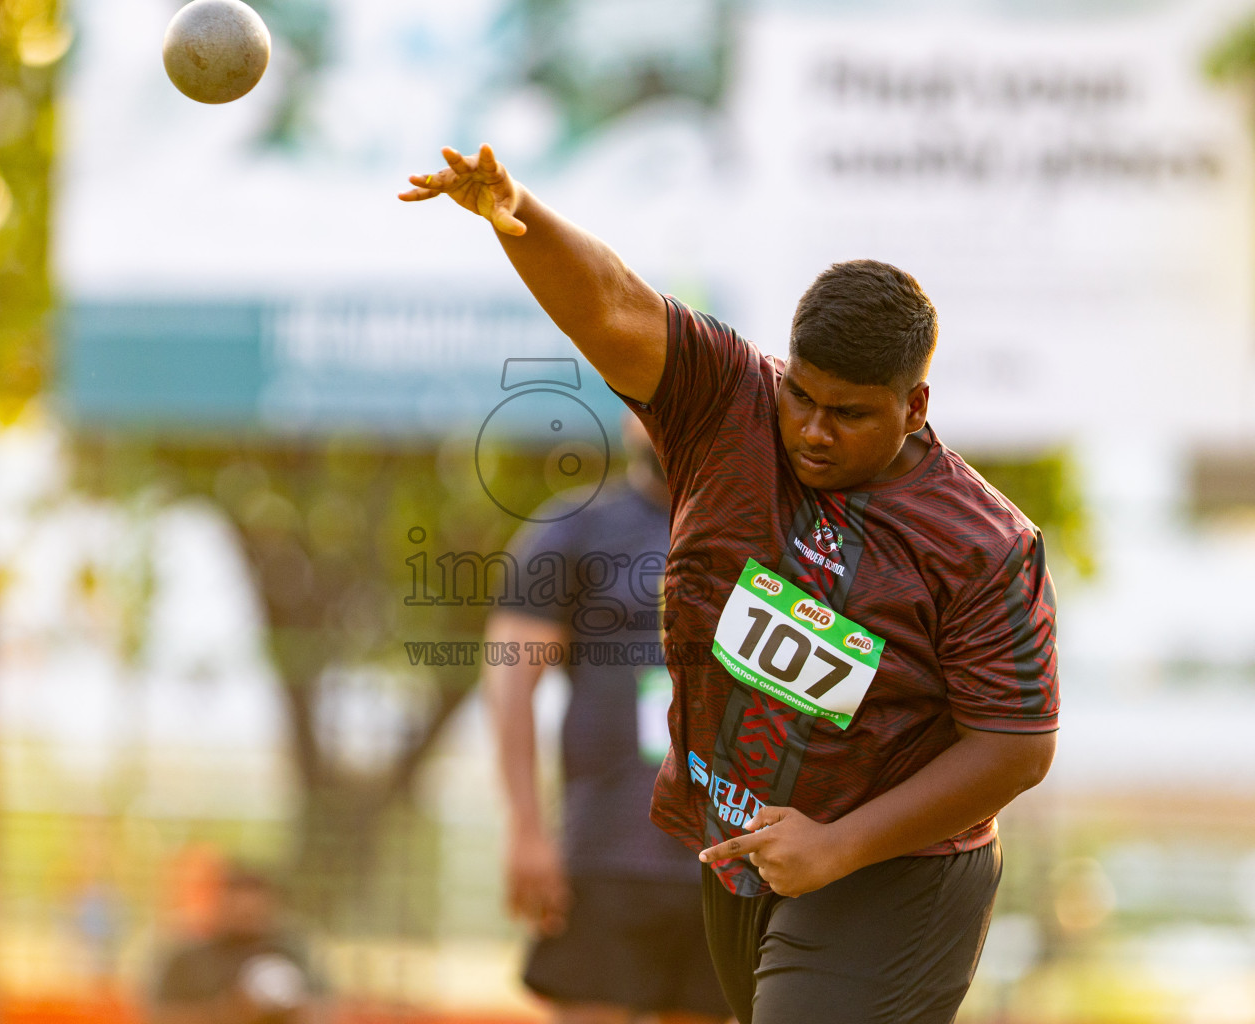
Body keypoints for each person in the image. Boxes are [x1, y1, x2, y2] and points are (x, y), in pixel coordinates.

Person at [401, 145, 1059, 1024]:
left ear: (916, 406)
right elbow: (613, 302)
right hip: (737, 851)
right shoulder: (731, 405)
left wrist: (837, 846)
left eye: (852, 413)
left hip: (898, 875)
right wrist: (519, 212)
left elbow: (1017, 745)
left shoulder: (984, 545)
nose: (815, 432)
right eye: (804, 398)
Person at [483, 412, 732, 1024]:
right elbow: (510, 682)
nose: (663, 422)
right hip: (608, 849)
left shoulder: (760, 531)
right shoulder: (575, 528)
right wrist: (525, 827)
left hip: (728, 854)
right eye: (647, 406)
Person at [147, 864, 324, 1024]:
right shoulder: (188, 959)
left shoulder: (292, 953)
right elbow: (158, 1016)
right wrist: (226, 1013)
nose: (247, 914)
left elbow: (324, 1011)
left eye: (253, 911)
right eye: (239, 907)